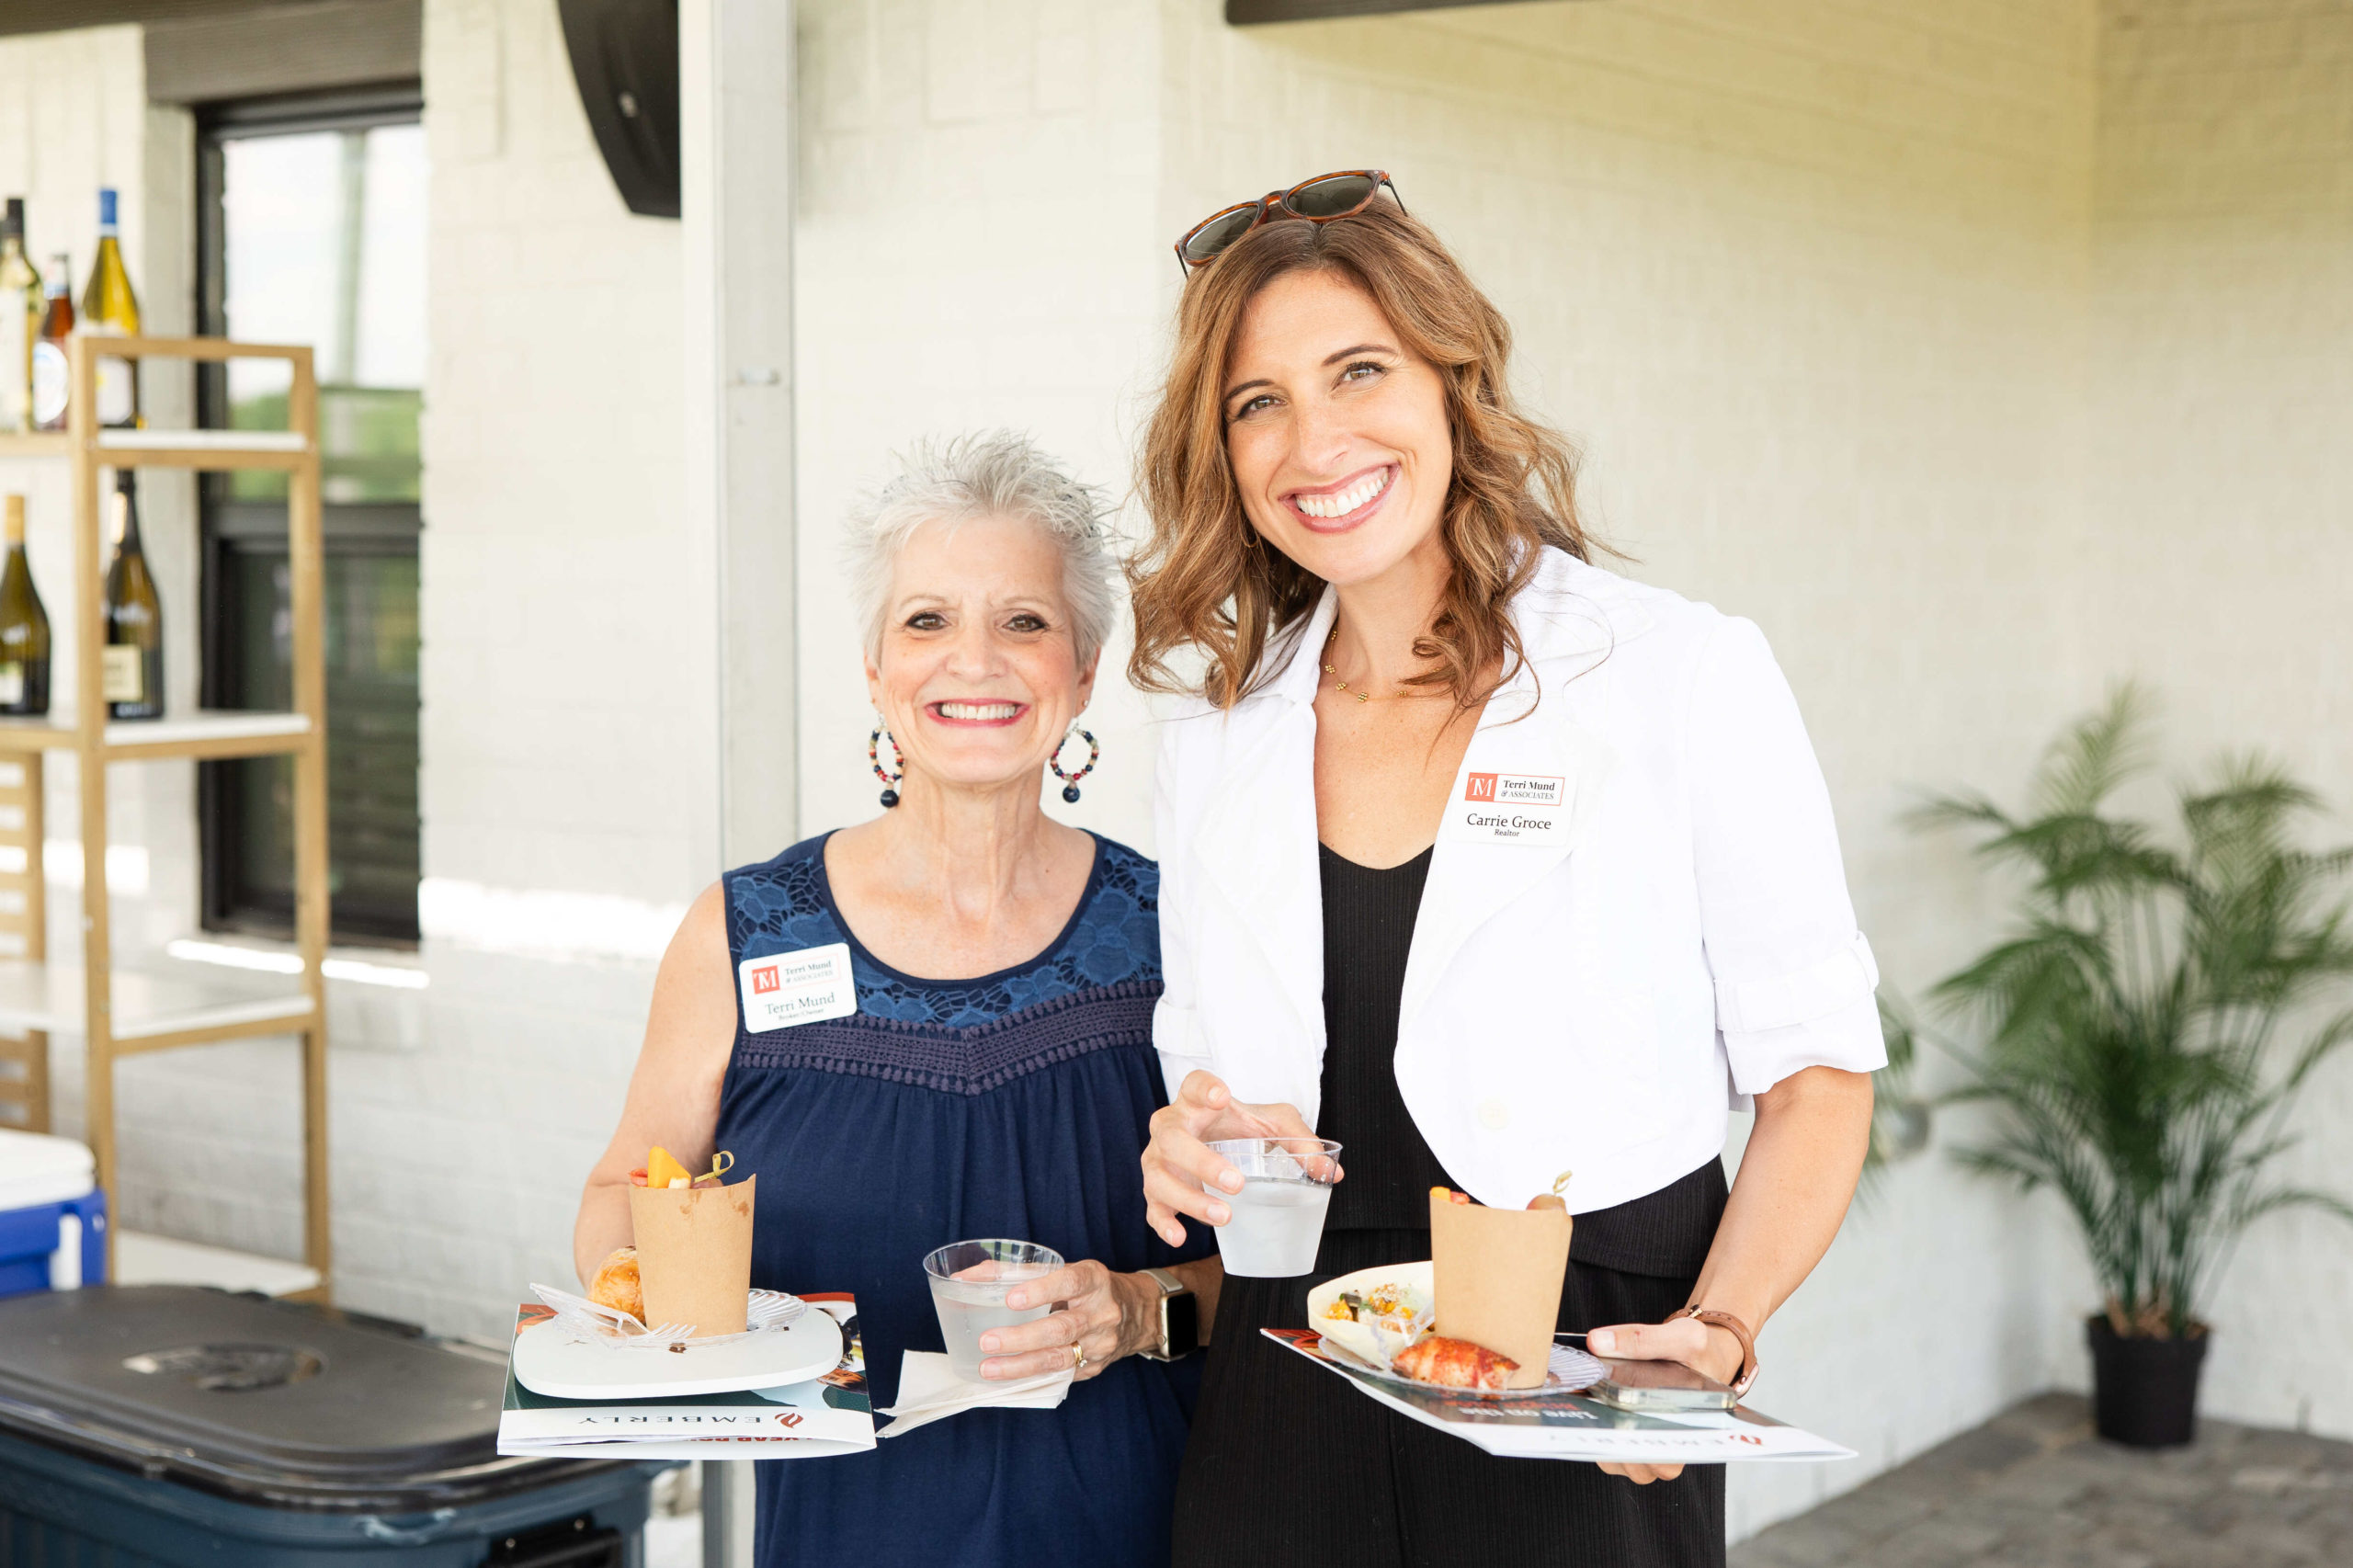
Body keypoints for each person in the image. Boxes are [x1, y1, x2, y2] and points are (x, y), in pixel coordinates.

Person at [1129, 173, 1882, 1566]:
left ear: (1452, 379)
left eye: (1360, 370)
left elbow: (1818, 1074)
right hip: (1285, 1371)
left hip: (1582, 1370)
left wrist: (1719, 1328)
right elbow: (1217, 1077)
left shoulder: (1678, 673)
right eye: (1259, 401)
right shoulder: (1214, 741)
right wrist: (1191, 1139)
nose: (1316, 439)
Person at [576, 432, 1220, 1568]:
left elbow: (1276, 1264)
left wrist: (1136, 1304)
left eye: (1022, 621)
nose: (974, 661)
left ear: (1081, 666)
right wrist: (640, 1316)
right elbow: (628, 1192)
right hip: (843, 1532)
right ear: (875, 667)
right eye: (926, 621)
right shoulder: (742, 928)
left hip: (1133, 1523)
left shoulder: (1182, 930)